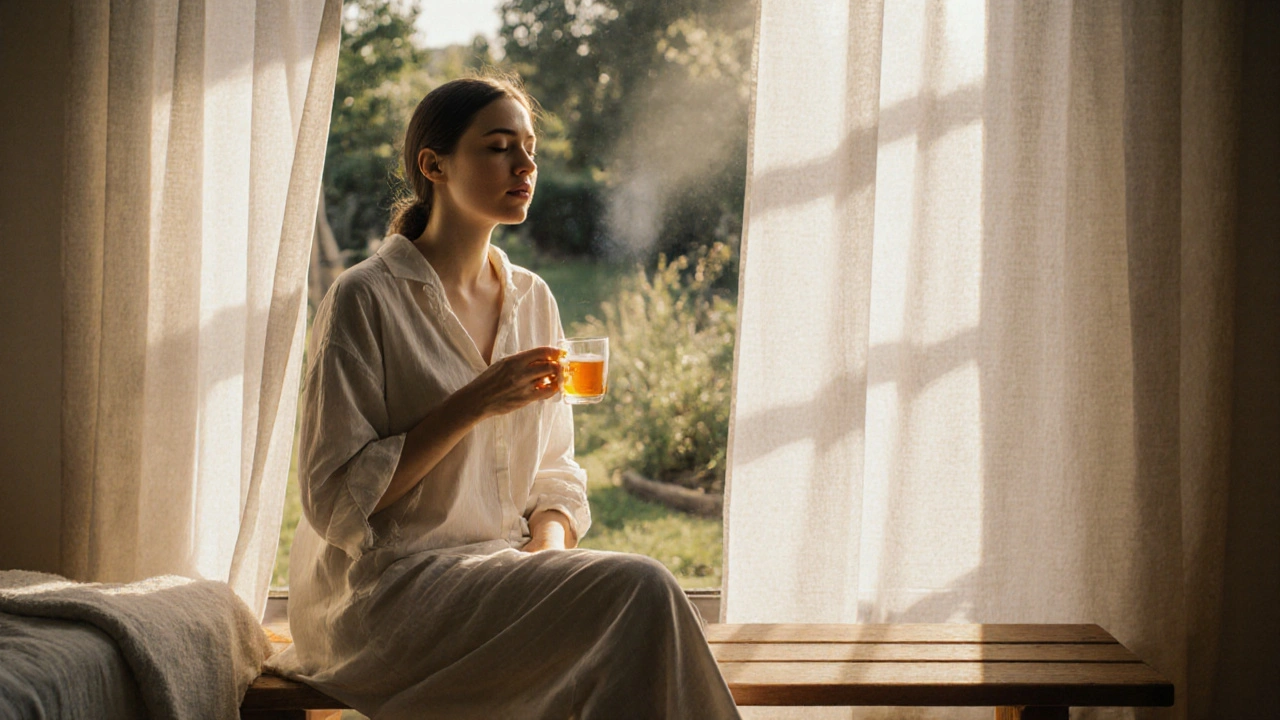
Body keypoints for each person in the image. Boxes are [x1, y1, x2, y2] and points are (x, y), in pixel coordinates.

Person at [265, 74, 742, 720]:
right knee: (645, 586)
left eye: (530, 147)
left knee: (630, 633)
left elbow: (556, 473)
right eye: (498, 147)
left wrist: (548, 563)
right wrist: (472, 402)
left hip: (504, 578)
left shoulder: (534, 299)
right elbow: (334, 505)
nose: (526, 165)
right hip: (390, 597)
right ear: (434, 165)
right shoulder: (365, 300)